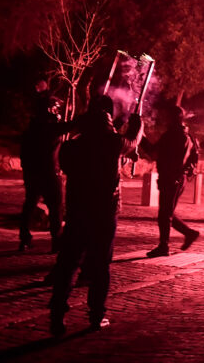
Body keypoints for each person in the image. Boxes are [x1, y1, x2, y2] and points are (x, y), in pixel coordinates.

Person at [49, 95, 143, 335]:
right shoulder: (112, 143)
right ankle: (96, 314)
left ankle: (57, 315)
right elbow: (131, 142)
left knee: (68, 264)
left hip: (78, 211)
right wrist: (137, 123)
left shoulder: (71, 147)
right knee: (101, 265)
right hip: (103, 213)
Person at [19, 96, 72, 253]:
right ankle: (56, 240)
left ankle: (24, 237)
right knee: (56, 208)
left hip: (32, 173)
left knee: (29, 204)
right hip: (49, 174)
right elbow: (73, 125)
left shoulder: (30, 129)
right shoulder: (50, 128)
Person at [145, 106, 200, 258]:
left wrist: (139, 135)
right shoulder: (188, 135)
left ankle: (164, 246)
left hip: (171, 178)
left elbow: (152, 152)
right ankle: (189, 233)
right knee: (166, 213)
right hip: (179, 179)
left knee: (165, 214)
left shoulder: (172, 135)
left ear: (172, 118)